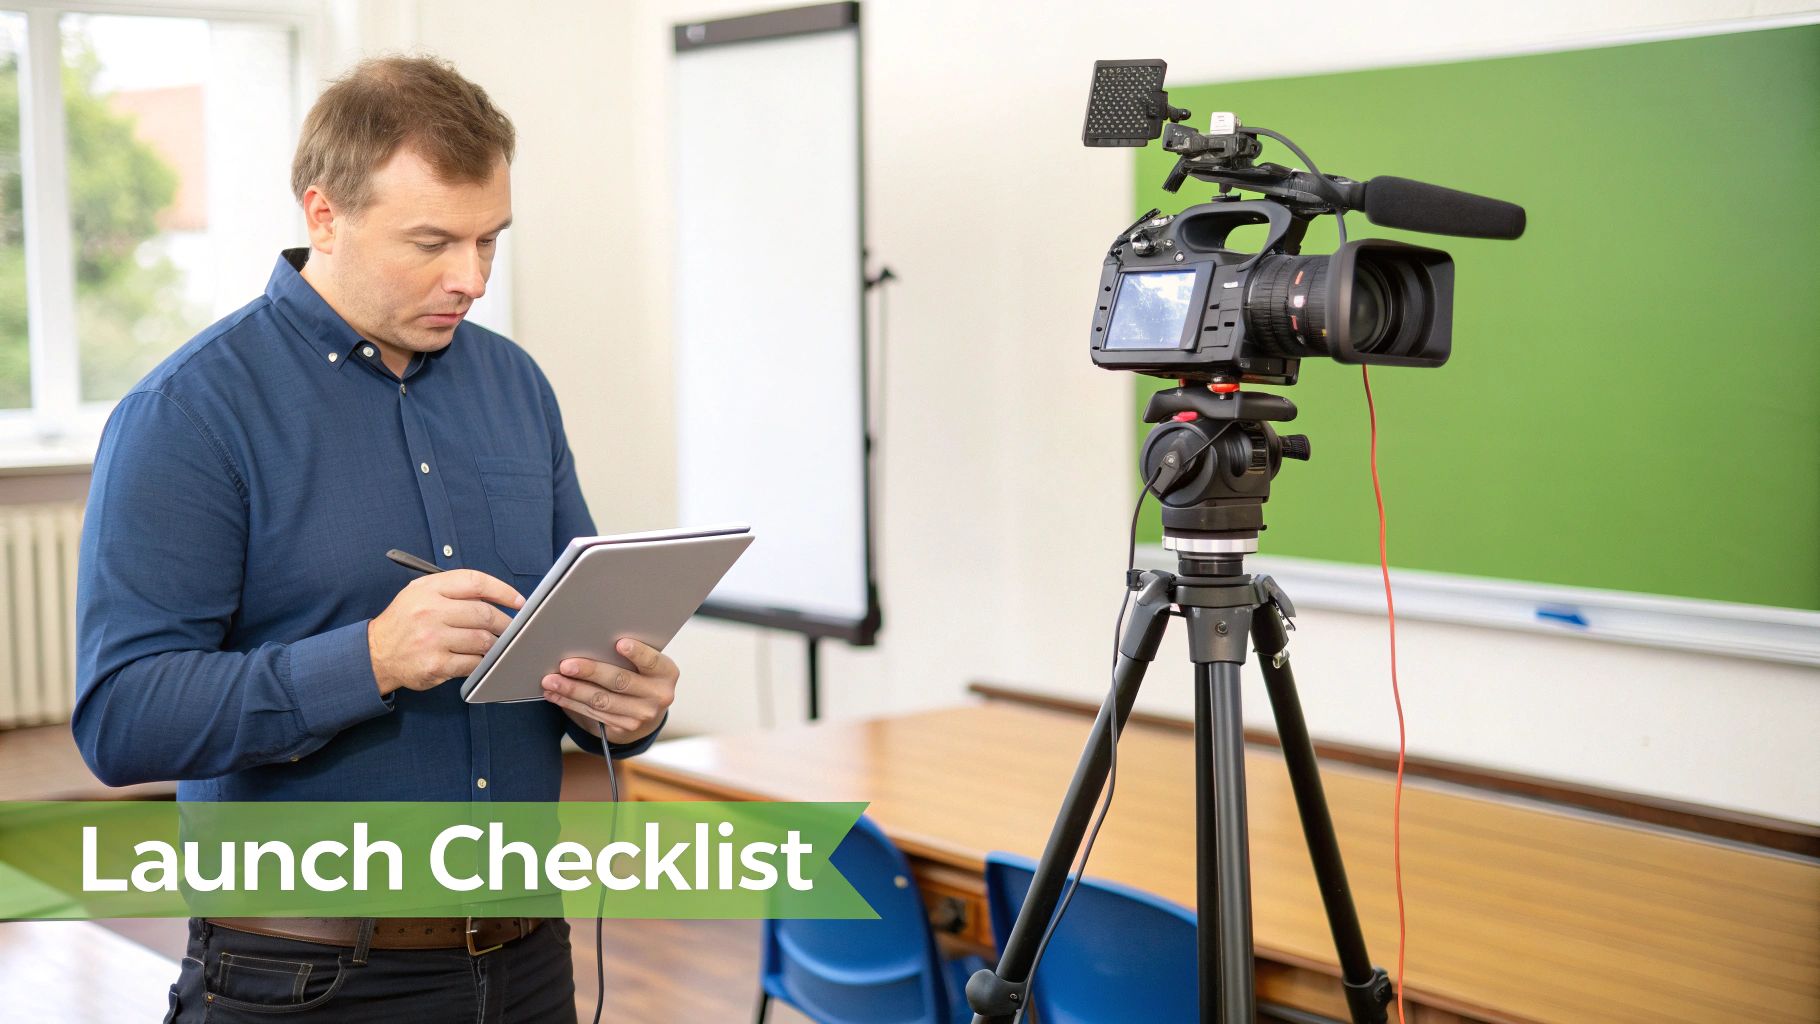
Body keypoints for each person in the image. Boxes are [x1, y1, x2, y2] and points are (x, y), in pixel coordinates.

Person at [70, 54, 671, 1023]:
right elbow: (121, 718)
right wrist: (371, 658)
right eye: (432, 241)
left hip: (525, 961)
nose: (470, 278)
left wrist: (623, 702)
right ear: (323, 216)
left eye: (489, 240)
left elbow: (568, 643)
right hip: (304, 978)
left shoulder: (515, 387)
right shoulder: (190, 413)